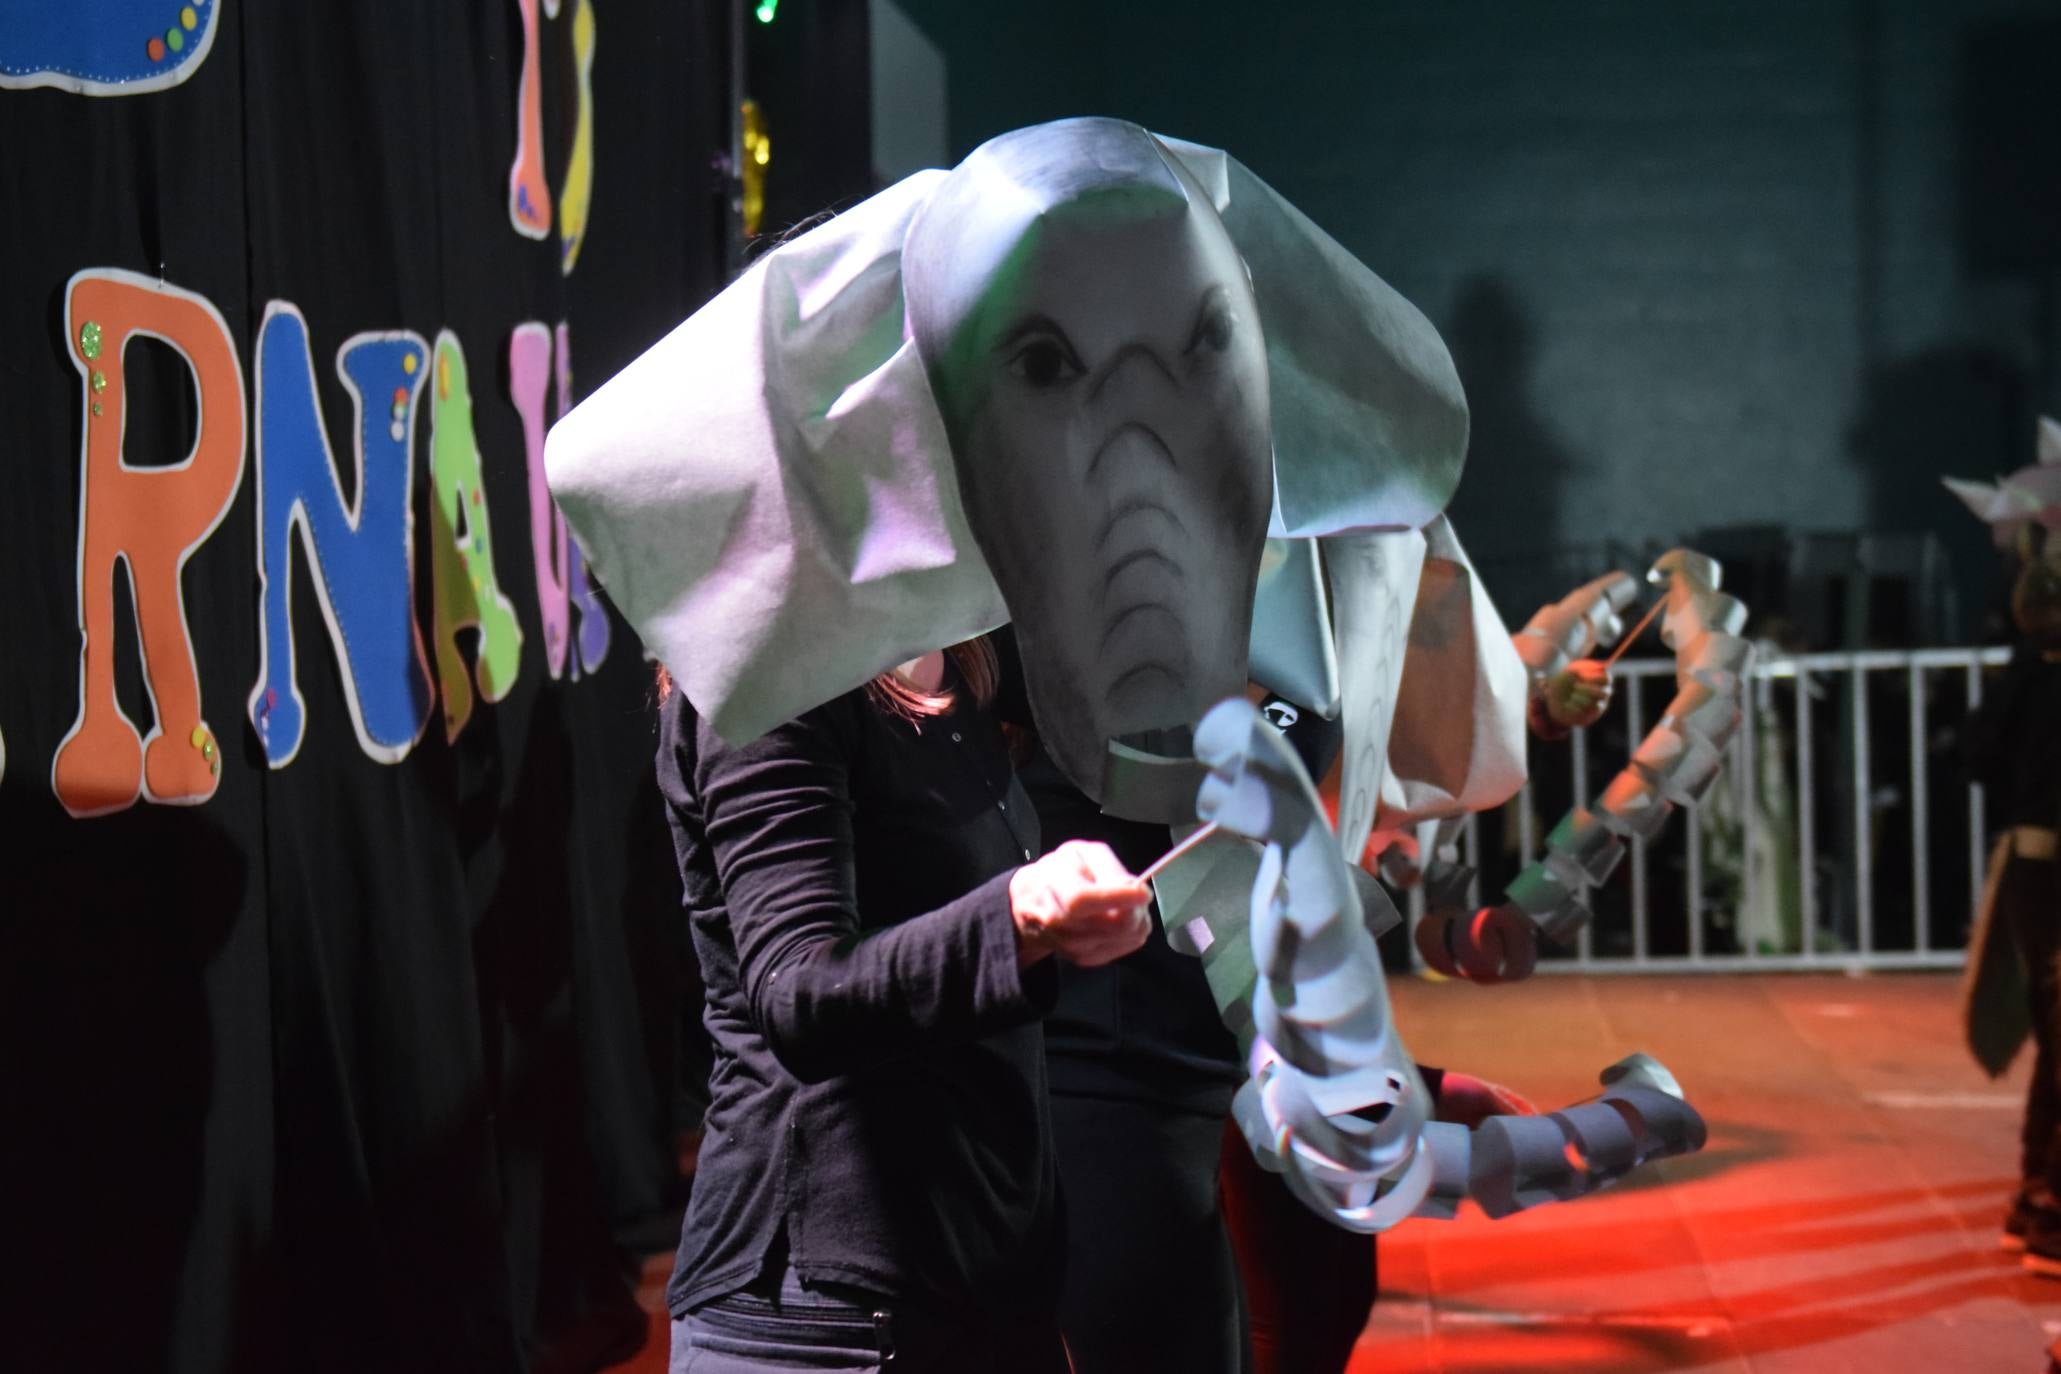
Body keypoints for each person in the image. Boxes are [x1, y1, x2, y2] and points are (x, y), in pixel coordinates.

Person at [651, 640, 1151, 1372]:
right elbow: (800, 990)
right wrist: (1017, 919)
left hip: (975, 1283)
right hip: (829, 1313)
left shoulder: (957, 660)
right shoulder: (770, 673)